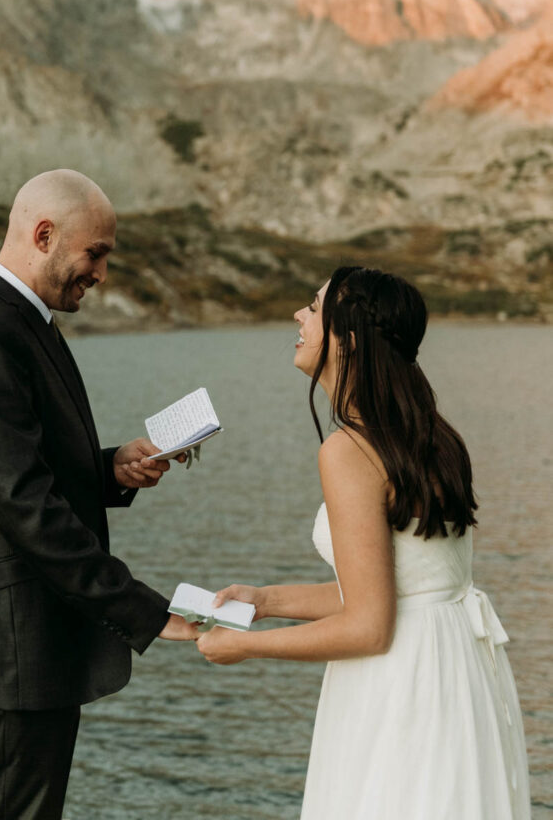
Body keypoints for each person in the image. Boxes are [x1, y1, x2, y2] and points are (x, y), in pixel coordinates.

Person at [196, 265, 530, 820]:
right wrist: (266, 601)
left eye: (313, 307)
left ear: (346, 341)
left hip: (402, 687)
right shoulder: (435, 437)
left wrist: (247, 646)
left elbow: (370, 626)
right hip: (456, 671)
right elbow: (401, 585)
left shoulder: (348, 451)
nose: (297, 316)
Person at [0, 169, 197, 820]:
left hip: (27, 645)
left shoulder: (24, 322)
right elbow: (24, 507)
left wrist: (111, 470)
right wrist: (145, 612)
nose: (100, 273)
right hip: (4, 649)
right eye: (94, 254)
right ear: (44, 235)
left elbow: (21, 471)